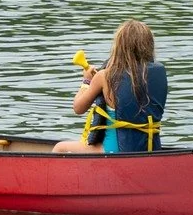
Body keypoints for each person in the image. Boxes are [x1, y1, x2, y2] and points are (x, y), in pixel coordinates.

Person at [52, 20, 169, 154]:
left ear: (119, 47)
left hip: (115, 150)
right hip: (151, 149)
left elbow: (78, 108)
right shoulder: (159, 73)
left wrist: (86, 81)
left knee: (60, 148)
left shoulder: (105, 76)